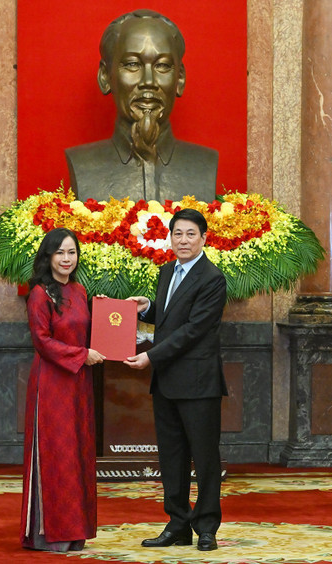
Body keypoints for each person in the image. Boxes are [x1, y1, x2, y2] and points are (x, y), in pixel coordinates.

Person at [124, 208, 227, 552]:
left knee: (205, 456)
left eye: (190, 234)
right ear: (169, 237)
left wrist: (150, 356)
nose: (183, 240)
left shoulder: (212, 278)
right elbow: (170, 317)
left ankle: (207, 526)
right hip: (167, 380)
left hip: (198, 383)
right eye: (177, 234)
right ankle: (178, 524)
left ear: (204, 238)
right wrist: (147, 306)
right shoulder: (167, 270)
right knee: (172, 456)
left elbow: (194, 329)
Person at [65, 9, 218, 204]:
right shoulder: (83, 164)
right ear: (105, 77)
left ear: (179, 79)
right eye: (132, 64)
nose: (148, 81)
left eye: (162, 66)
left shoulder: (204, 164)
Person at [20, 227, 105, 552]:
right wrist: (82, 355)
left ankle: (75, 529)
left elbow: (92, 331)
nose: (67, 259)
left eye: (72, 252)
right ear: (48, 256)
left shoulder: (81, 291)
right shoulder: (40, 293)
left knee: (78, 452)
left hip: (79, 382)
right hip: (52, 383)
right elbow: (41, 341)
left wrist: (121, 314)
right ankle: (48, 534)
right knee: (56, 454)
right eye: (60, 253)